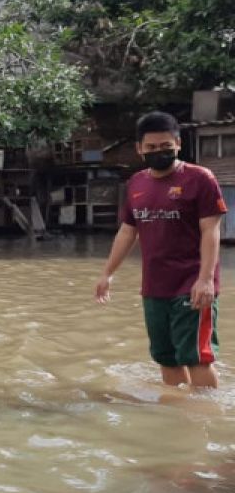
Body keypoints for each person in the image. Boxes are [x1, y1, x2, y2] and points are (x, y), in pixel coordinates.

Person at [95, 111, 225, 388]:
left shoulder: (200, 178)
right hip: (155, 287)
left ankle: (207, 422)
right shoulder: (137, 183)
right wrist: (107, 274)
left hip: (192, 283)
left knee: (196, 358)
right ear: (139, 149)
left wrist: (205, 280)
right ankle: (178, 417)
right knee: (166, 358)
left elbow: (211, 231)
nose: (159, 152)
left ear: (178, 143)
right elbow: (128, 231)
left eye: (166, 146)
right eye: (151, 148)